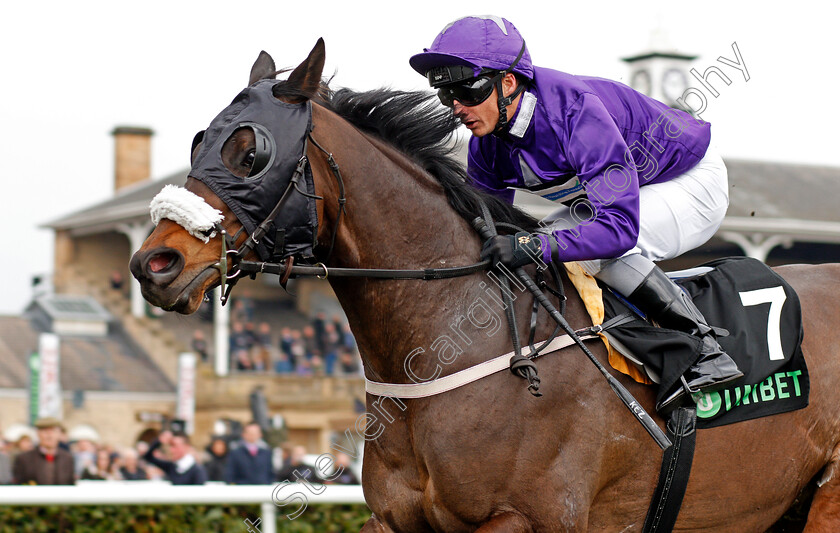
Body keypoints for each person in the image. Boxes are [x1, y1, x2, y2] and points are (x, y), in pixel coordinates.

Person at [410, 15, 742, 412]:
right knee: (547, 241)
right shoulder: (487, 145)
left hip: (689, 182)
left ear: (509, 83)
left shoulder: (576, 112)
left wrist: (531, 244)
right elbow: (490, 232)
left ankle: (703, 350)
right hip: (627, 193)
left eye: (467, 90)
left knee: (577, 247)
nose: (457, 107)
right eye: (447, 95)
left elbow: (617, 229)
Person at [12, 418, 75, 485]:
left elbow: (70, 483)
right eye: (45, 432)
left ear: (59, 434)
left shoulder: (67, 458)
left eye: (53, 431)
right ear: (38, 433)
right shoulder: (24, 459)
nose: (49, 436)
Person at [142, 430, 207, 485]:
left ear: (186, 446)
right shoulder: (172, 466)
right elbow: (148, 457)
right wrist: (159, 440)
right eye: (171, 446)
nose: (171, 450)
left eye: (175, 446)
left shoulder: (197, 470)